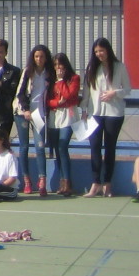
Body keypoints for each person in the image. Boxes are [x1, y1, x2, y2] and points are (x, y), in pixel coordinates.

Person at [83, 37, 131, 198]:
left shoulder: (119, 67)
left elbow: (128, 88)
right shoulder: (91, 68)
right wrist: (84, 109)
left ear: (108, 50)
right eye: (96, 51)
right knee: (94, 148)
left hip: (114, 113)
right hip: (95, 112)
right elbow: (87, 92)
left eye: (101, 51)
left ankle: (107, 184)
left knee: (110, 148)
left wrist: (114, 93)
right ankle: (95, 183)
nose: (99, 54)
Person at [13, 44, 54, 195]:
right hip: (22, 112)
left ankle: (42, 181)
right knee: (24, 146)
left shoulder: (49, 73)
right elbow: (20, 93)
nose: (39, 59)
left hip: (40, 113)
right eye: (36, 56)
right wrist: (25, 109)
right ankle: (26, 181)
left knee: (40, 146)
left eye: (42, 56)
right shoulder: (28, 72)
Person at [46, 53, 81, 196]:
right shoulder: (50, 80)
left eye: (60, 64)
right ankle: (61, 182)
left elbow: (69, 95)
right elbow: (47, 100)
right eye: (55, 65)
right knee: (57, 149)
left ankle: (67, 182)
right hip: (54, 116)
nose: (58, 68)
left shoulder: (74, 78)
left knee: (63, 146)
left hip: (68, 115)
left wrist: (61, 81)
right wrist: (55, 103)